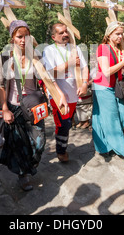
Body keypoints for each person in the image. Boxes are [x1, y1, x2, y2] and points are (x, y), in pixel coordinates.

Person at [0, 20, 68, 191]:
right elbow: (0, 85)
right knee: (20, 143)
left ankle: (30, 164)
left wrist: (60, 94)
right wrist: (5, 108)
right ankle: (23, 175)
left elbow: (47, 78)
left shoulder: (35, 55)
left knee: (40, 142)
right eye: (19, 36)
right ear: (12, 38)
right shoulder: (5, 57)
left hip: (35, 106)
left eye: (26, 36)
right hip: (15, 106)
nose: (23, 40)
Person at [91, 21, 124, 159]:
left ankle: (109, 143)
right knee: (109, 117)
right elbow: (106, 71)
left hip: (117, 86)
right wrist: (123, 63)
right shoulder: (103, 48)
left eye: (121, 34)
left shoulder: (123, 50)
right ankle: (113, 147)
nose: (120, 37)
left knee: (122, 113)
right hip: (103, 86)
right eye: (117, 34)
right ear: (109, 34)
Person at [42, 23, 89, 162]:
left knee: (67, 123)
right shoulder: (49, 50)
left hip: (74, 94)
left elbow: (85, 68)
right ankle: (61, 150)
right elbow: (50, 72)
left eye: (66, 32)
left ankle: (62, 145)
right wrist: (69, 63)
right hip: (57, 94)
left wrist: (85, 83)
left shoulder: (75, 48)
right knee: (63, 123)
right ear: (53, 37)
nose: (65, 35)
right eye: (61, 33)